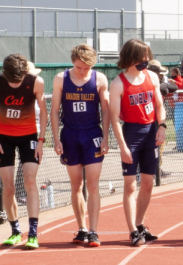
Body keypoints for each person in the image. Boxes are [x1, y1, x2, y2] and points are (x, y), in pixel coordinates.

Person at [50, 45, 110, 247]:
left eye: (86, 68)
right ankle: (82, 228)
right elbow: (55, 110)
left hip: (92, 134)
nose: (82, 71)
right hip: (70, 135)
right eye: (78, 67)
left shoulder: (100, 79)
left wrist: (105, 137)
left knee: (93, 185)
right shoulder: (61, 79)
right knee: (76, 185)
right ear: (72, 62)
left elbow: (106, 110)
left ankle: (94, 231)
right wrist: (56, 138)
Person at [108, 39, 166, 247]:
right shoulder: (118, 84)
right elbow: (114, 118)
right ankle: (132, 230)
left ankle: (140, 224)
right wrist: (122, 146)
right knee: (130, 185)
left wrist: (162, 126)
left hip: (151, 131)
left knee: (148, 183)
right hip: (131, 134)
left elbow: (159, 105)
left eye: (148, 57)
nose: (147, 60)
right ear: (131, 58)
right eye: (143, 57)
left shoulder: (151, 76)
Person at [0, 55, 47, 249]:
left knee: (29, 180)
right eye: (12, 80)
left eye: (19, 80)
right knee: (8, 186)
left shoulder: (36, 82)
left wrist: (41, 140)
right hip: (3, 138)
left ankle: (33, 234)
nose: (15, 83)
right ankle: (15, 231)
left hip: (29, 137)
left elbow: (43, 111)